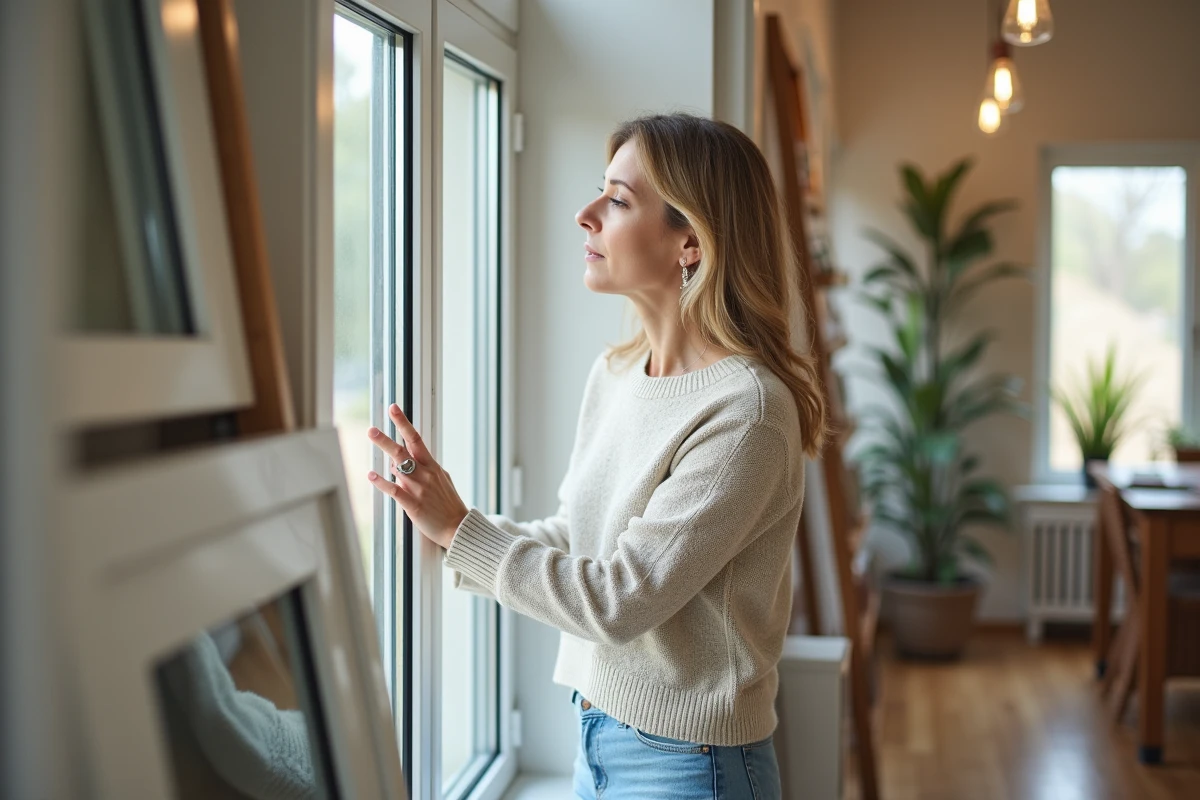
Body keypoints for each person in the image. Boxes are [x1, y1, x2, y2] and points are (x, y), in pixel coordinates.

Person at [366, 112, 827, 799]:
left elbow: (619, 599)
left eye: (616, 199)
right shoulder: (616, 373)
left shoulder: (747, 413)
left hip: (690, 769)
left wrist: (464, 533)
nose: (585, 215)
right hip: (595, 738)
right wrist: (445, 525)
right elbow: (579, 540)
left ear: (690, 242)